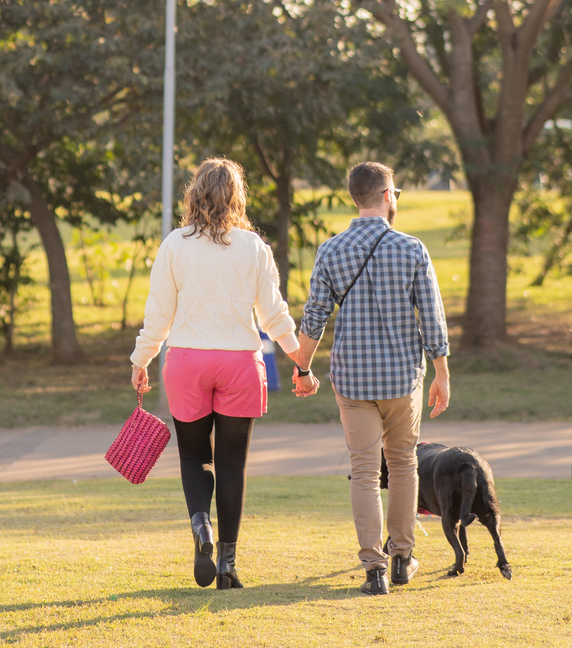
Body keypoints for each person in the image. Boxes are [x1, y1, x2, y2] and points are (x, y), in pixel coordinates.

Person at [130, 156, 299, 590]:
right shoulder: (253, 247)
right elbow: (273, 314)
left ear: (194, 193)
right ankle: (227, 564)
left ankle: (200, 523)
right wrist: (301, 361)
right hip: (240, 362)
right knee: (231, 464)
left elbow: (159, 315)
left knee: (192, 457)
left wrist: (141, 359)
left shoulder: (175, 244)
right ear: (236, 197)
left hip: (187, 361)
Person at [289, 160, 450, 595]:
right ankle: (402, 557)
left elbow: (315, 317)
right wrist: (442, 373)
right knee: (402, 464)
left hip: (353, 381)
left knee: (363, 471)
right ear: (384, 195)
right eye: (394, 192)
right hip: (401, 379)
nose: (395, 199)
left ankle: (373, 570)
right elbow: (432, 318)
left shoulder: (330, 250)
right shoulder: (412, 248)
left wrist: (302, 370)